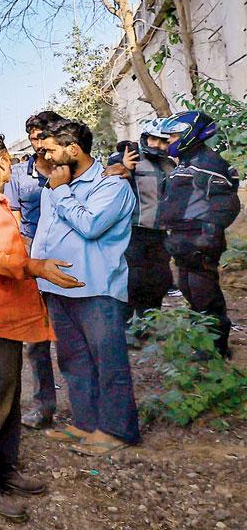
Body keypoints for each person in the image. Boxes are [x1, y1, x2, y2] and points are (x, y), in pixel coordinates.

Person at [0, 134, 83, 523]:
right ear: (4, 162)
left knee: (7, 401)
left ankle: (4, 470)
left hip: (4, 314)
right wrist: (32, 265)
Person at [32, 119, 140, 456]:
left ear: (73, 150)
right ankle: (85, 423)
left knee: (108, 362)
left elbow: (90, 225)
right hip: (59, 288)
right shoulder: (55, 183)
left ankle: (118, 430)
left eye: (50, 149)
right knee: (73, 361)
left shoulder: (112, 186)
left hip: (96, 289)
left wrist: (61, 191)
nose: (43, 154)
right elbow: (46, 232)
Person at [157, 111, 242, 357]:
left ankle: (216, 348)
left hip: (200, 241)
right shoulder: (186, 162)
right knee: (188, 289)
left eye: (174, 135)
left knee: (205, 293)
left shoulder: (208, 162)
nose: (169, 140)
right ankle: (201, 339)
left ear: (190, 133)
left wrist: (209, 232)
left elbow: (226, 202)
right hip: (183, 240)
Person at [4, 110, 64, 429]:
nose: (34, 141)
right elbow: (14, 220)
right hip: (33, 258)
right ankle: (44, 405)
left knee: (72, 336)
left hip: (69, 258)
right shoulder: (18, 175)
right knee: (37, 338)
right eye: (31, 135)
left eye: (41, 135)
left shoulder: (73, 168)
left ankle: (88, 405)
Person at [104, 121, 177, 334]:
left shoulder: (169, 165)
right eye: (153, 139)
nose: (158, 145)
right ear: (145, 138)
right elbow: (108, 175)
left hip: (160, 233)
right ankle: (125, 328)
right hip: (132, 231)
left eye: (163, 141)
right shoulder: (129, 158)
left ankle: (147, 324)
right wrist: (124, 166)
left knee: (159, 280)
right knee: (131, 280)